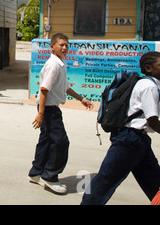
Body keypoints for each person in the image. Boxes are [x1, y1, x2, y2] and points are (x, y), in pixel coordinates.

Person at [81, 51, 160, 205]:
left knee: (155, 182)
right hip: (129, 140)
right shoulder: (149, 86)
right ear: (148, 68)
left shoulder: (150, 84)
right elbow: (152, 120)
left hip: (138, 140)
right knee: (104, 181)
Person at [28, 33, 93, 194]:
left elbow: (65, 87)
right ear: (52, 46)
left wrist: (81, 99)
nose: (64, 48)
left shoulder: (60, 64)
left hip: (50, 108)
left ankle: (36, 172)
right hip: (49, 110)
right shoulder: (54, 65)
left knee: (46, 140)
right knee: (61, 142)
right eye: (61, 45)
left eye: (66, 45)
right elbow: (44, 89)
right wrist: (41, 114)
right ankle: (50, 176)